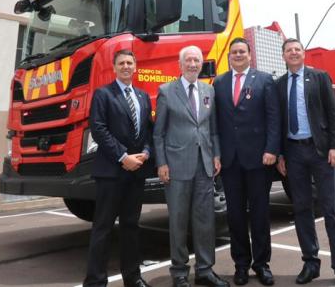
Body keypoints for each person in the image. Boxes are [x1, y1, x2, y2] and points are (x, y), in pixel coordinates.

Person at [275, 38, 335, 287]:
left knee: (331, 210)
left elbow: (333, 113)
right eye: (289, 50)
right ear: (283, 56)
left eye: (297, 49)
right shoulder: (279, 84)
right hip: (293, 154)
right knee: (301, 210)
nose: (293, 53)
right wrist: (281, 155)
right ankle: (310, 263)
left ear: (303, 53)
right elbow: (278, 123)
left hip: (320, 152)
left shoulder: (319, 77)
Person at [154, 46, 228, 287]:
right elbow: (159, 133)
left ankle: (205, 270)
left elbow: (213, 129)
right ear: (180, 64)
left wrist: (216, 155)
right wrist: (162, 163)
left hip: (205, 165)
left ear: (201, 63)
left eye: (197, 60)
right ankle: (179, 273)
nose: (193, 64)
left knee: (205, 220)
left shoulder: (209, 90)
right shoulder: (166, 91)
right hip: (176, 166)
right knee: (177, 220)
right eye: (189, 60)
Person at [83, 50, 153, 287]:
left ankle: (133, 278)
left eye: (129, 63)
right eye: (121, 63)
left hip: (136, 173)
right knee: (102, 228)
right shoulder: (103, 95)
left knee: (131, 227)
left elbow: (147, 131)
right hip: (111, 173)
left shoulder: (143, 96)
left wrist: (145, 152)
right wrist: (123, 157)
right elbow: (99, 129)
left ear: (135, 67)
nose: (125, 66)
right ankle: (95, 282)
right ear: (114, 68)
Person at [214, 38, 280, 286]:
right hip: (230, 162)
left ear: (250, 55)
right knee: (235, 216)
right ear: (229, 56)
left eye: (242, 51)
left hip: (258, 159)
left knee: (261, 215)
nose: (238, 55)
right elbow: (216, 124)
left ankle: (262, 264)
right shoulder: (219, 83)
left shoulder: (264, 80)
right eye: (234, 52)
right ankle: (240, 265)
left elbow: (274, 118)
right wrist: (217, 153)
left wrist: (272, 149)